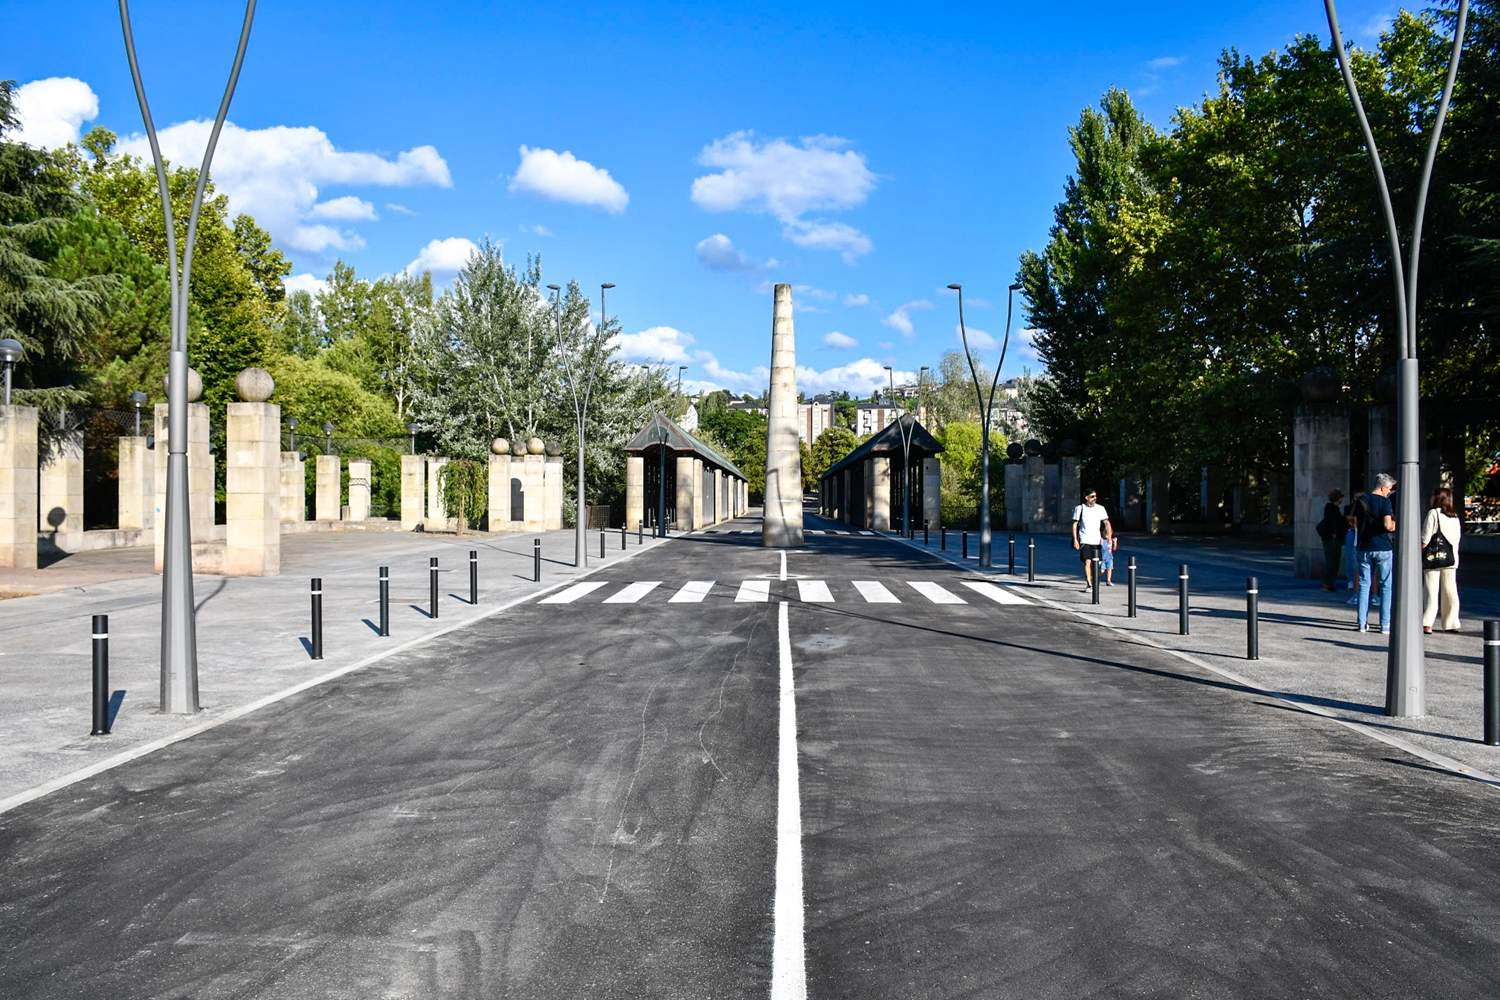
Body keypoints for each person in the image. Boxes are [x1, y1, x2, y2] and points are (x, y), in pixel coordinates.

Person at [1355, 473, 1398, 634]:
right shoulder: (1385, 502)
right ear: (1382, 487)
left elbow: (1354, 521)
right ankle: (1385, 625)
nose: (1390, 492)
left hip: (1364, 547)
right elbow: (1388, 525)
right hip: (1382, 547)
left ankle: (1362, 623)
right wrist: (1396, 525)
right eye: (1389, 489)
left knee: (1364, 585)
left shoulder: (1361, 500)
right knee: (1386, 585)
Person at [1422, 487, 1462, 634]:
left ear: (1438, 498)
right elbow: (1456, 539)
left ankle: (1427, 622)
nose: (1430, 497)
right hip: (1451, 559)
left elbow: (1425, 538)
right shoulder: (1454, 516)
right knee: (1450, 591)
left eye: (1433, 495)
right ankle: (1451, 623)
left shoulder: (1433, 513)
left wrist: (1418, 551)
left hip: (1433, 558)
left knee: (1431, 591)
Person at [1071, 489, 1113, 592]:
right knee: (1087, 562)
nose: (1095, 498)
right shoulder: (1080, 508)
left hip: (1097, 541)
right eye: (1092, 496)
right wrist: (1075, 540)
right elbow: (1075, 524)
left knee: (1097, 564)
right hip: (1085, 540)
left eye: (1095, 496)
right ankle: (1089, 584)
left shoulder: (1100, 509)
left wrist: (1110, 539)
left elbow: (1107, 523)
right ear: (1086, 497)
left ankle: (1093, 580)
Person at [1316, 488, 1345, 592]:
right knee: (1332, 562)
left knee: (1333, 562)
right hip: (1332, 539)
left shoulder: (1331, 508)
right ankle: (1327, 583)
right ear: (1338, 498)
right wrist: (1334, 534)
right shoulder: (1332, 509)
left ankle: (1329, 583)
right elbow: (1333, 523)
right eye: (1341, 497)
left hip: (1331, 538)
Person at [1343, 490, 1363, 603]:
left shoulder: (1365, 508)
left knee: (1358, 566)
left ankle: (1359, 593)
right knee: (1353, 563)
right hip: (1354, 535)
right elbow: (1350, 520)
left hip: (1359, 537)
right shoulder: (1350, 507)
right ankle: (1355, 589)